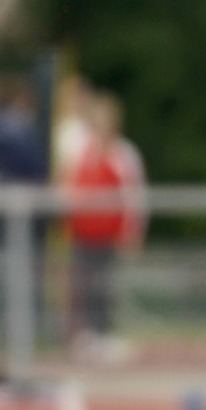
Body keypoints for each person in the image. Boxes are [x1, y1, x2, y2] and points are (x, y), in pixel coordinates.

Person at [63, 88, 145, 355]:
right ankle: (84, 336)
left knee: (105, 285)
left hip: (109, 233)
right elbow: (70, 188)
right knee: (82, 285)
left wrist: (132, 231)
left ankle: (105, 334)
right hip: (82, 231)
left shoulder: (124, 154)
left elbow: (134, 197)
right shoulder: (80, 151)